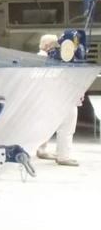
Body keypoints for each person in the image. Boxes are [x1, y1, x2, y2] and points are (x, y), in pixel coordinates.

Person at [35, 34, 80, 166]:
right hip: (56, 97)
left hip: (49, 97)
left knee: (52, 125)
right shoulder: (45, 58)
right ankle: (63, 155)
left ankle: (48, 151)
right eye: (56, 46)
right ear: (48, 46)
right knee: (66, 127)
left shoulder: (42, 57)